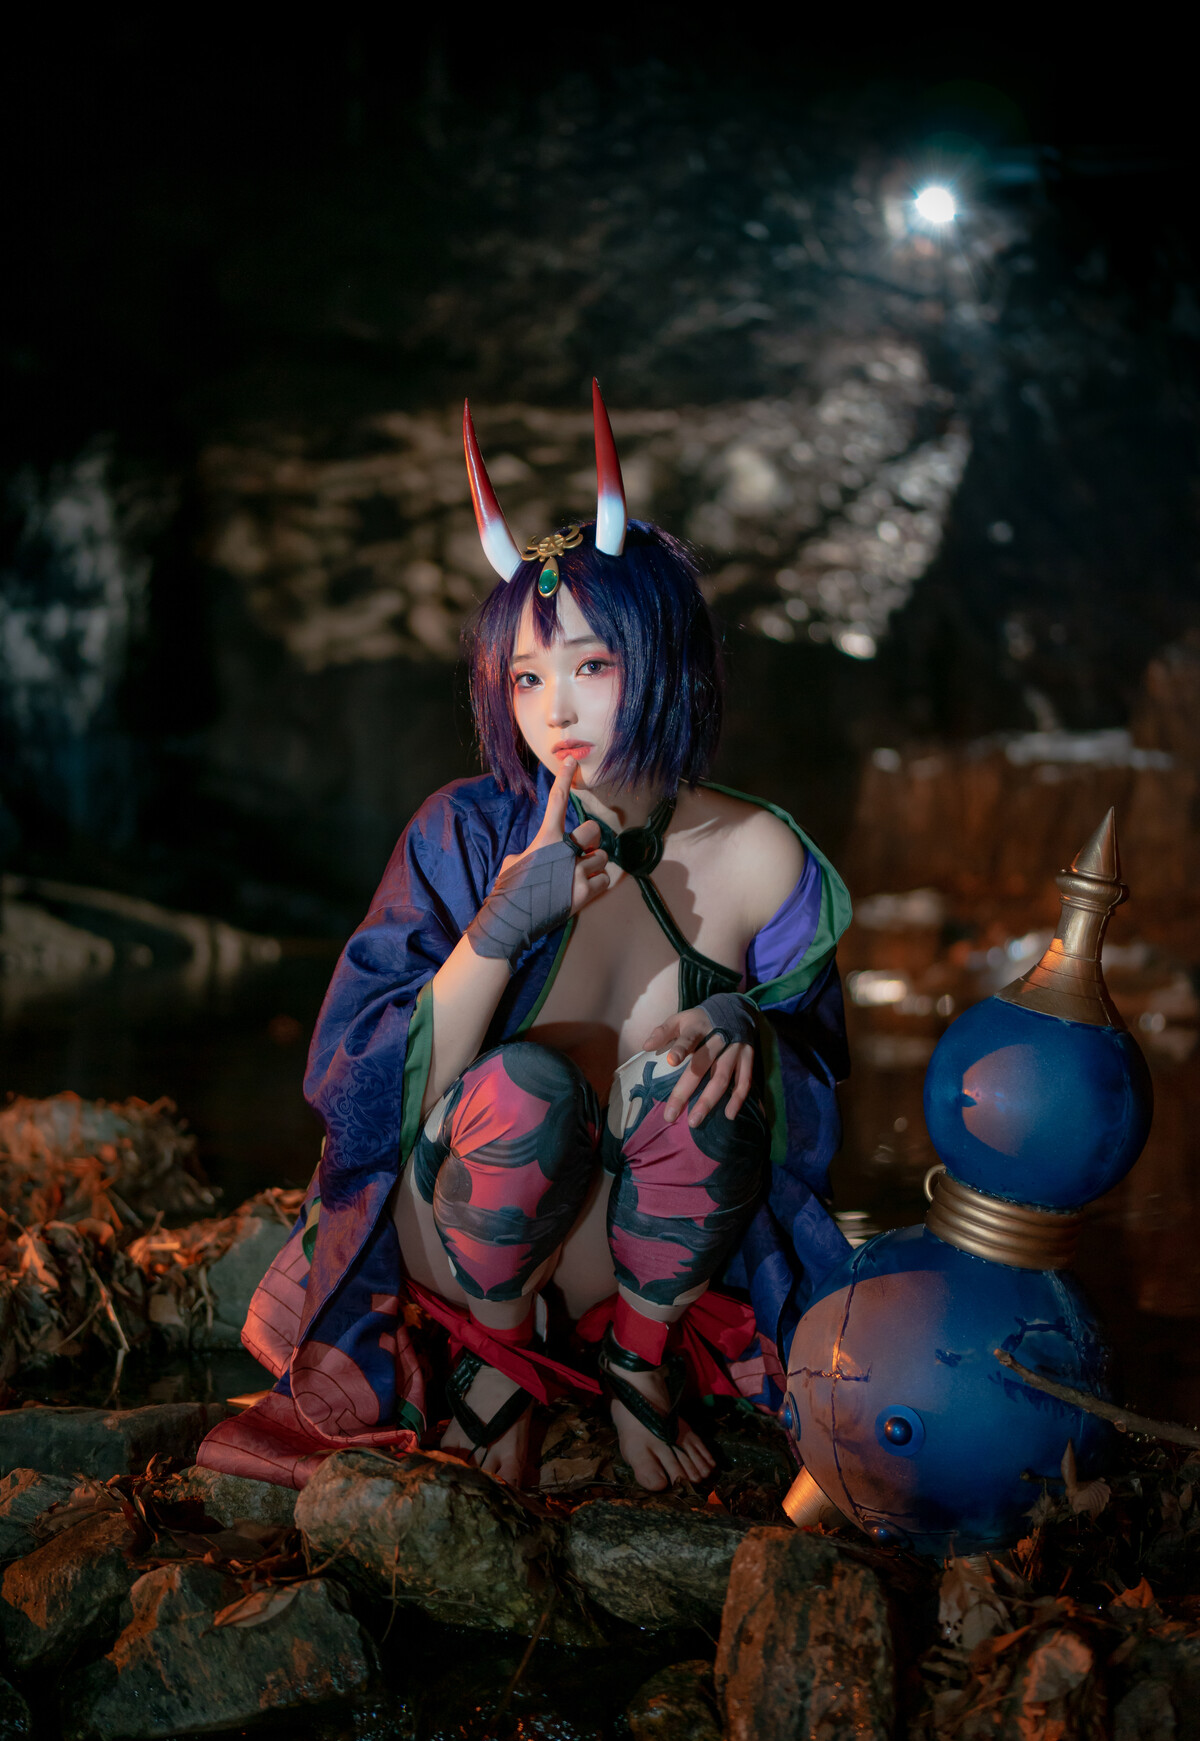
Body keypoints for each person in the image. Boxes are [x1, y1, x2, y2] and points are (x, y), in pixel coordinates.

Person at [198, 383, 852, 1493]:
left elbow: (813, 1123)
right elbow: (359, 1102)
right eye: (527, 677)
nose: (555, 712)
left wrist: (752, 1032)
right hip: (461, 1251)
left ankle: (636, 1370)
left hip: (639, 1271)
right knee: (525, 1091)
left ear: (667, 660)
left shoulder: (763, 857)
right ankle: (496, 1369)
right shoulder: (462, 833)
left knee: (698, 1083)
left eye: (592, 666)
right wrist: (500, 929)